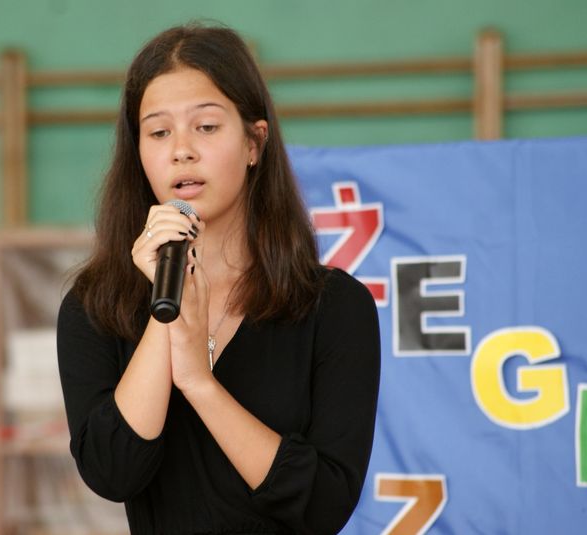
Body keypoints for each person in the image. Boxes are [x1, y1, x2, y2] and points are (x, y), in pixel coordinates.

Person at [57, 22, 380, 535]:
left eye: (206, 127)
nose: (181, 150)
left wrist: (198, 383)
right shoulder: (96, 306)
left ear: (254, 142)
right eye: (158, 132)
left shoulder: (333, 305)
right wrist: (164, 320)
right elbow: (112, 472)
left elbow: (323, 504)